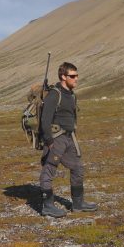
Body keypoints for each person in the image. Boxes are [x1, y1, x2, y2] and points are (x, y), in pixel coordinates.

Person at [39, 62, 97, 217]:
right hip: (56, 139)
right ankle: (47, 206)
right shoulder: (54, 95)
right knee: (49, 169)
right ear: (63, 77)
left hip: (70, 138)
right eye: (72, 76)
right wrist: (49, 141)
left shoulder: (71, 95)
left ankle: (78, 204)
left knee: (77, 168)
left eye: (77, 75)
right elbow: (45, 120)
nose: (76, 78)